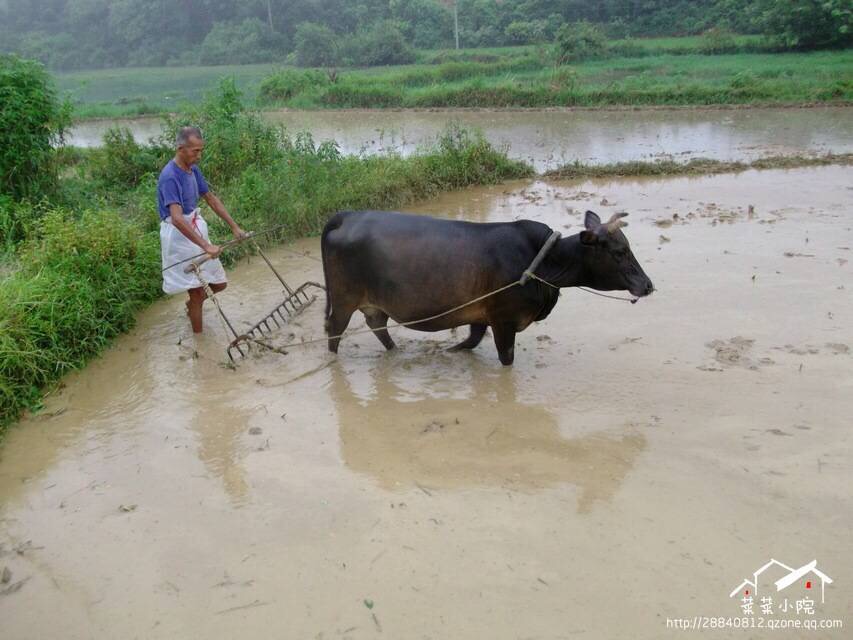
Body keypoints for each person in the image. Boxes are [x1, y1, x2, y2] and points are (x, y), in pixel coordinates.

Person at [158, 126, 245, 333]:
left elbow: (210, 199)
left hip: (195, 230)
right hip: (179, 237)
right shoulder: (170, 176)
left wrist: (234, 227)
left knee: (219, 284)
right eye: (195, 151)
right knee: (196, 293)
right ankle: (200, 340)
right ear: (181, 148)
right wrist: (206, 246)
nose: (199, 155)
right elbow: (178, 219)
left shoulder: (193, 169)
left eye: (200, 150)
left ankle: (193, 306)